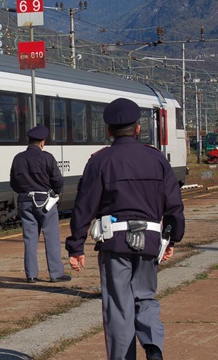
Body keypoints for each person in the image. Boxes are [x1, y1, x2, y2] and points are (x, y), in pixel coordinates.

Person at [65, 98, 185, 360]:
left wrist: (76, 245)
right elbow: (174, 203)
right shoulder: (156, 159)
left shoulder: (99, 161)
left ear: (108, 130)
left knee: (119, 308)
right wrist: (172, 239)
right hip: (151, 240)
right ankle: (153, 347)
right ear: (138, 128)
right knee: (146, 297)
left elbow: (84, 206)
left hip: (115, 243)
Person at [10, 125, 71, 283]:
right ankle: (55, 273)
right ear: (42, 142)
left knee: (30, 239)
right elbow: (57, 180)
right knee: (51, 237)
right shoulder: (47, 158)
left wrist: (23, 192)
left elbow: (13, 182)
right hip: (44, 201)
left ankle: (30, 274)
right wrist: (55, 192)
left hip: (24, 201)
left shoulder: (18, 158)